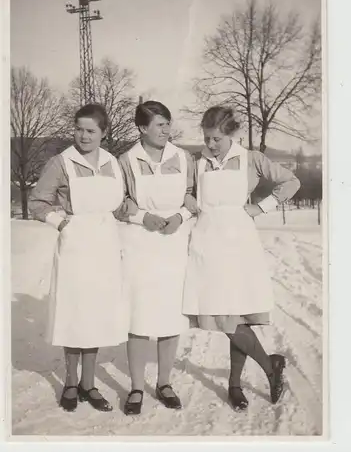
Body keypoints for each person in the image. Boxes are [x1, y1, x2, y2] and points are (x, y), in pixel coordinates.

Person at [182, 106, 301, 412]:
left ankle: (243, 380)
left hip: (238, 246)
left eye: (217, 139)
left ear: (232, 134)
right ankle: (267, 367)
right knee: (224, 317)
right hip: (207, 244)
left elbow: (290, 182)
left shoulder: (252, 159)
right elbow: (185, 192)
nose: (210, 144)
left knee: (232, 316)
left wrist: (262, 207)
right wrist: (189, 198)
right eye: (207, 138)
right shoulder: (197, 162)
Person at [29, 103, 130, 413]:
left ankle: (90, 383)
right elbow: (37, 202)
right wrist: (60, 223)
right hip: (76, 247)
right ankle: (71, 383)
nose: (83, 136)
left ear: (103, 133)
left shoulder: (113, 162)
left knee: (96, 316)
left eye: (91, 130)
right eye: (79, 129)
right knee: (76, 316)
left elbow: (119, 203)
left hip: (106, 247)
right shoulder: (62, 163)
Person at [117, 100, 194, 415]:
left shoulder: (183, 157)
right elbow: (118, 202)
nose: (166, 130)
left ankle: (164, 383)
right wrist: (141, 218)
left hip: (173, 245)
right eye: (160, 125)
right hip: (139, 246)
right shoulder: (125, 161)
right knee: (138, 319)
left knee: (169, 317)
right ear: (142, 128)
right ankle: (136, 387)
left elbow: (193, 196)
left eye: (167, 124)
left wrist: (180, 216)